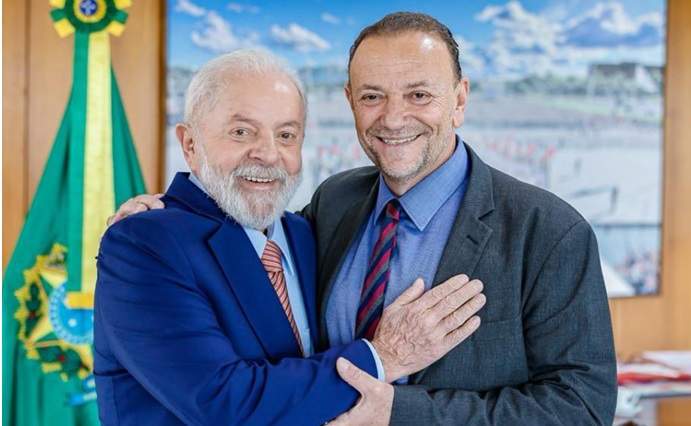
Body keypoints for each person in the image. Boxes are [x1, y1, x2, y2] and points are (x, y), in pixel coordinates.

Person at [113, 12, 618, 425]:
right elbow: (239, 234)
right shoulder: (334, 203)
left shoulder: (548, 231)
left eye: (419, 95)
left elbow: (582, 408)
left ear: (459, 100)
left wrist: (401, 413)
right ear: (351, 102)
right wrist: (162, 215)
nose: (394, 118)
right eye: (373, 96)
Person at [94, 49, 485, 425]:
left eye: (286, 135)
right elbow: (224, 405)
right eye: (241, 132)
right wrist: (385, 356)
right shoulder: (143, 243)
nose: (268, 154)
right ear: (190, 144)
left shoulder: (303, 233)